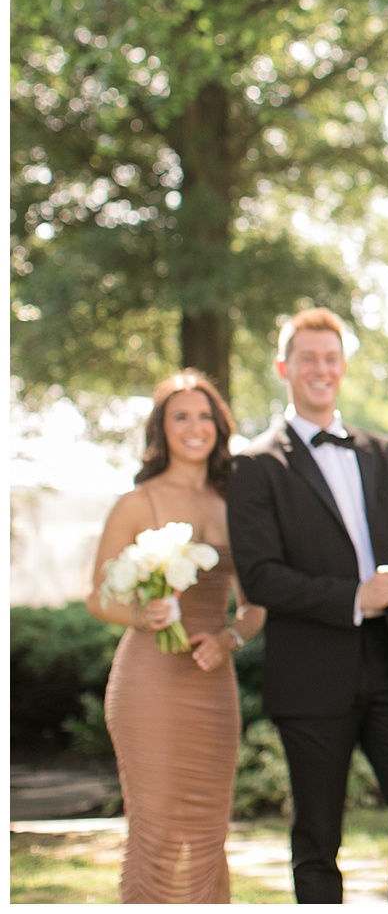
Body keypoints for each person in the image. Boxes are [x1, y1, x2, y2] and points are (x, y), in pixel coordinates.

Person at [228, 308, 388, 903]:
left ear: (343, 367)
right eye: (308, 358)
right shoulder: (254, 466)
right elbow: (260, 577)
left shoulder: (384, 453)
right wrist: (356, 595)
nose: (321, 369)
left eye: (331, 358)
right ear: (285, 367)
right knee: (319, 840)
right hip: (310, 672)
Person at [86, 371, 264, 902]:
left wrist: (229, 638)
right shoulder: (138, 503)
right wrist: (145, 617)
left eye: (205, 416)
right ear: (161, 430)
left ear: (220, 427)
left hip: (212, 686)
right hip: (149, 683)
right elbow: (98, 596)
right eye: (180, 416)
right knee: (157, 831)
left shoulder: (239, 504)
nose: (195, 427)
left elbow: (256, 606)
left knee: (210, 834)